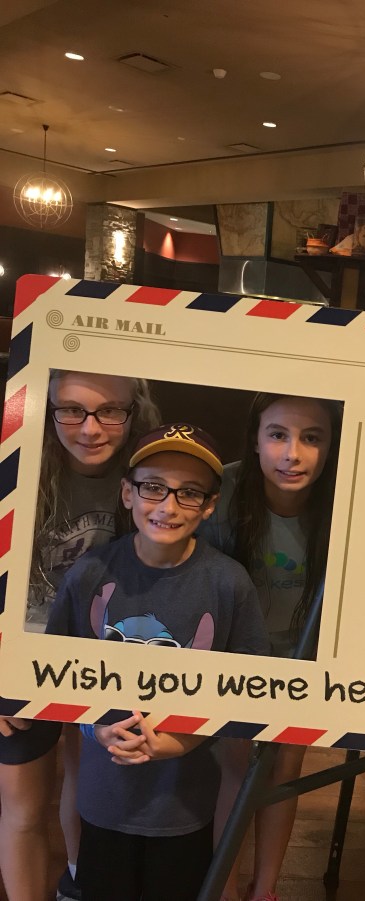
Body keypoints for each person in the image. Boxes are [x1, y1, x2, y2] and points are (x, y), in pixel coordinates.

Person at [46, 422, 270, 901]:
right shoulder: (89, 574)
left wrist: (185, 738)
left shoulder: (229, 584)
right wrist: (94, 727)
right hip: (104, 799)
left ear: (209, 504)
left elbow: (249, 690)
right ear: (127, 493)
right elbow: (54, 675)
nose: (168, 506)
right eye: (153, 487)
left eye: (189, 493)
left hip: (184, 804)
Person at [0, 370, 160, 901]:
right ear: (46, 410)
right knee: (23, 805)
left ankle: (76, 883)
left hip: (111, 658)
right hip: (23, 655)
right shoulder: (16, 470)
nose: (90, 429)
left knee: (89, 789)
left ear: (134, 411)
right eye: (71, 410)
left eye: (109, 411)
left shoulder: (151, 478)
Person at [203, 392, 343, 901]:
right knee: (237, 768)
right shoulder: (222, 492)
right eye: (278, 435)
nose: (293, 454)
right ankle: (225, 888)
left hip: (303, 658)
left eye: (312, 438)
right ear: (256, 439)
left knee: (284, 770)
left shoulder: (345, 500)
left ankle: (265, 890)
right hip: (233, 656)